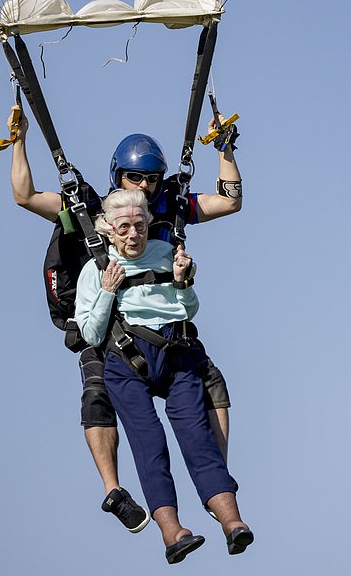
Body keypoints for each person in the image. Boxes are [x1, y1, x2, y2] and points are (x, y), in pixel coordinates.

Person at [8, 106, 242, 532]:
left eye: (152, 178)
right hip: (106, 325)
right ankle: (113, 490)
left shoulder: (169, 208)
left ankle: (214, 482)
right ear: (119, 176)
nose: (145, 186)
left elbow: (229, 201)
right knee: (97, 394)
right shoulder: (90, 210)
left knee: (212, 383)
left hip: (164, 326)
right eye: (136, 178)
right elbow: (25, 196)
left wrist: (225, 149)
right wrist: (19, 141)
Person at [74, 189, 253, 564]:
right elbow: (90, 335)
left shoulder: (166, 254)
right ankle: (172, 533)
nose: (133, 235)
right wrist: (107, 291)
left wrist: (182, 282)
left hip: (176, 357)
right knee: (149, 444)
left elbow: (189, 309)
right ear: (109, 230)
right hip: (127, 363)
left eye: (139, 226)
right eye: (124, 228)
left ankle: (232, 522)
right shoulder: (94, 269)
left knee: (197, 438)